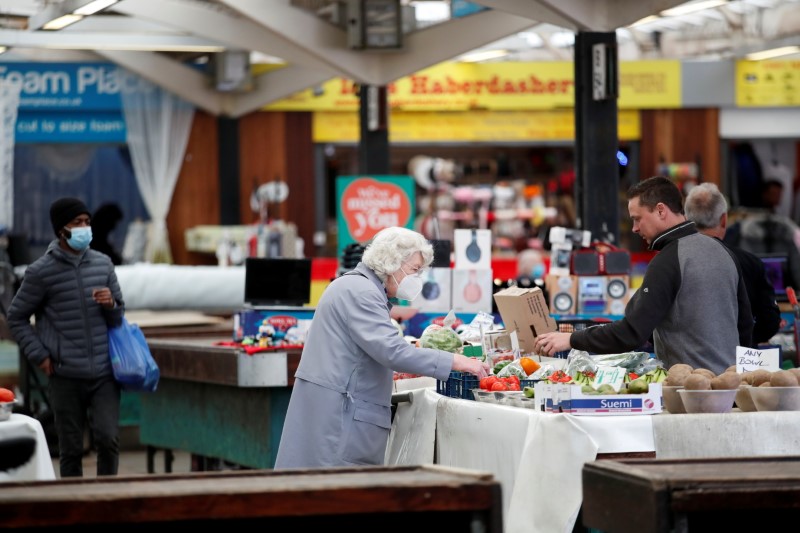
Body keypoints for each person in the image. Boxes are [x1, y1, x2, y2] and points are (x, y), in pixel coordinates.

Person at [274, 226, 490, 469]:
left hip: (333, 412)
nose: (417, 278)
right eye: (414, 270)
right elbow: (392, 351)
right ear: (391, 262)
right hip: (339, 417)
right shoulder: (362, 292)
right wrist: (455, 361)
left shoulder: (356, 287)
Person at [533, 176, 753, 376]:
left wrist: (570, 339)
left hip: (688, 392)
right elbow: (745, 325)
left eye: (637, 219)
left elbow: (631, 333)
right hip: (730, 388)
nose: (634, 228)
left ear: (660, 210)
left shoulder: (669, 260)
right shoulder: (724, 252)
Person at [7, 197, 125, 477]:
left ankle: (110, 502)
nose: (85, 227)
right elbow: (16, 316)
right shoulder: (41, 272)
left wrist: (111, 304)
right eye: (77, 223)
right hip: (65, 374)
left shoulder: (103, 264)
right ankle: (74, 508)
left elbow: (118, 317)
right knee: (71, 449)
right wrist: (40, 355)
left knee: (108, 440)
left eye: (87, 222)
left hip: (104, 372)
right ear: (61, 230)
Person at [684, 182, 781, 346]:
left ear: (686, 219)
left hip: (687, 364)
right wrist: (746, 342)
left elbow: (652, 323)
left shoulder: (672, 262)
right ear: (724, 219)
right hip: (741, 362)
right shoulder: (750, 263)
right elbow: (769, 321)